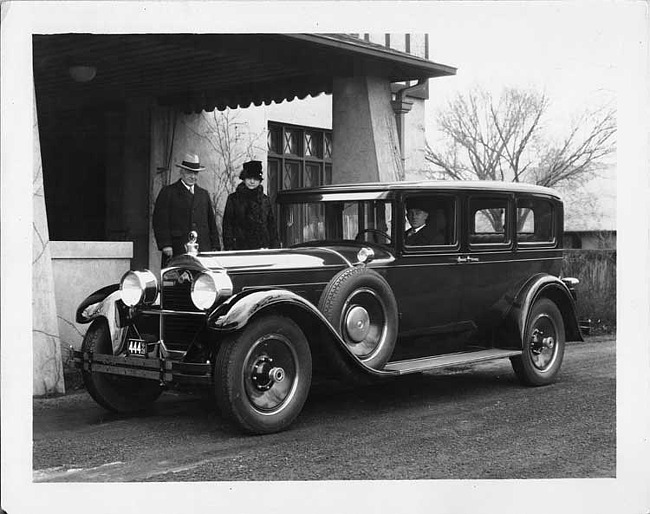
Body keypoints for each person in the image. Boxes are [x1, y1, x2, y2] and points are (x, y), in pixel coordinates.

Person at [153, 153, 220, 266]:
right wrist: (166, 244)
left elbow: (211, 222)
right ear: (182, 172)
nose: (193, 176)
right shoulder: (168, 192)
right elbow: (160, 221)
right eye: (189, 172)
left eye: (195, 173)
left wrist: (215, 246)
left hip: (202, 248)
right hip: (177, 248)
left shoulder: (203, 194)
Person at [222, 160, 279, 250]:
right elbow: (227, 226)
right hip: (240, 249)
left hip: (262, 249)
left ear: (259, 181)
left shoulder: (265, 200)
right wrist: (229, 248)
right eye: (249, 178)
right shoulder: (234, 199)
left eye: (255, 179)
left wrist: (274, 247)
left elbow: (271, 226)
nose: (252, 182)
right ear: (244, 179)